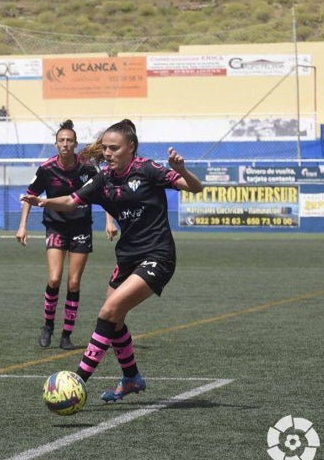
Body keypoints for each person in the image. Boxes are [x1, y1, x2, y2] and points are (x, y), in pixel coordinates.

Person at [21, 118, 203, 402]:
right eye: (105, 148)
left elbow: (195, 187)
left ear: (131, 147)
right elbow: (70, 202)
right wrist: (44, 202)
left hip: (158, 256)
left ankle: (76, 381)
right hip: (127, 257)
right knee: (115, 320)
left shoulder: (148, 169)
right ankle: (131, 378)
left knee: (108, 312)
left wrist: (182, 170)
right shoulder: (103, 179)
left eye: (114, 148)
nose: (107, 153)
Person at [16, 119, 115, 350]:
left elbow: (104, 194)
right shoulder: (47, 168)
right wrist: (23, 226)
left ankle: (66, 336)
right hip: (56, 226)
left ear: (76, 144)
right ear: (56, 144)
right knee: (54, 279)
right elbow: (30, 196)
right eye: (61, 140)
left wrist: (109, 222)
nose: (65, 144)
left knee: (73, 283)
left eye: (69, 140)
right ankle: (48, 326)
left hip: (81, 227)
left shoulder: (88, 167)